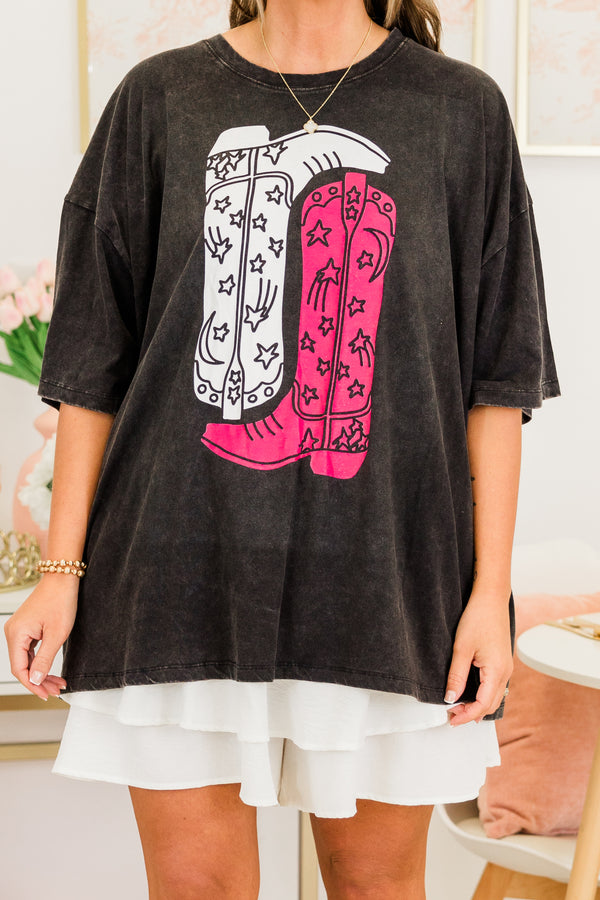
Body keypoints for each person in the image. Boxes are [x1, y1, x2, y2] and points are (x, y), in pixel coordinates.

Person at [4, 0, 561, 897]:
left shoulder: (461, 111)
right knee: (198, 890)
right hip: (178, 564)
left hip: (385, 574)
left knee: (375, 887)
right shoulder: (160, 98)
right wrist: (59, 573)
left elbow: (498, 381)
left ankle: (322, 420)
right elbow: (91, 365)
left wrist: (489, 593)